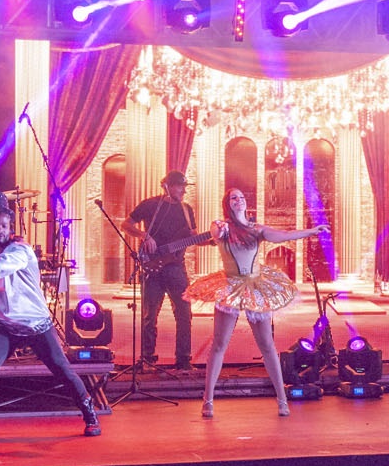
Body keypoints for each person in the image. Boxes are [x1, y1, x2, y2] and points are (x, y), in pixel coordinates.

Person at [0, 197, 101, 440]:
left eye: (4, 225)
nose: (0, 230)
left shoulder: (20, 250)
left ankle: (90, 414)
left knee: (62, 370)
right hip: (5, 326)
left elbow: (0, 267)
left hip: (36, 324)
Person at [185, 188, 330, 418]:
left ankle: (282, 399)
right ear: (228, 203)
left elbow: (285, 235)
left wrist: (312, 231)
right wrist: (218, 228)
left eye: (241, 197)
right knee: (219, 344)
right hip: (231, 286)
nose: (239, 200)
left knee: (267, 345)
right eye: (234, 198)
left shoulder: (257, 229)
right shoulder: (222, 227)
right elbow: (214, 233)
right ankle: (208, 400)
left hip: (255, 286)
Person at [124, 170, 203, 371]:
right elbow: (126, 225)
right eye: (180, 186)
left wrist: (212, 238)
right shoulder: (150, 205)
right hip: (152, 266)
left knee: (184, 313)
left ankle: (183, 360)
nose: (184, 191)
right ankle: (147, 359)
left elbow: (193, 236)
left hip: (176, 267)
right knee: (149, 316)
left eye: (185, 187)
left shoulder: (186, 209)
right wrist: (144, 235)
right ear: (167, 186)